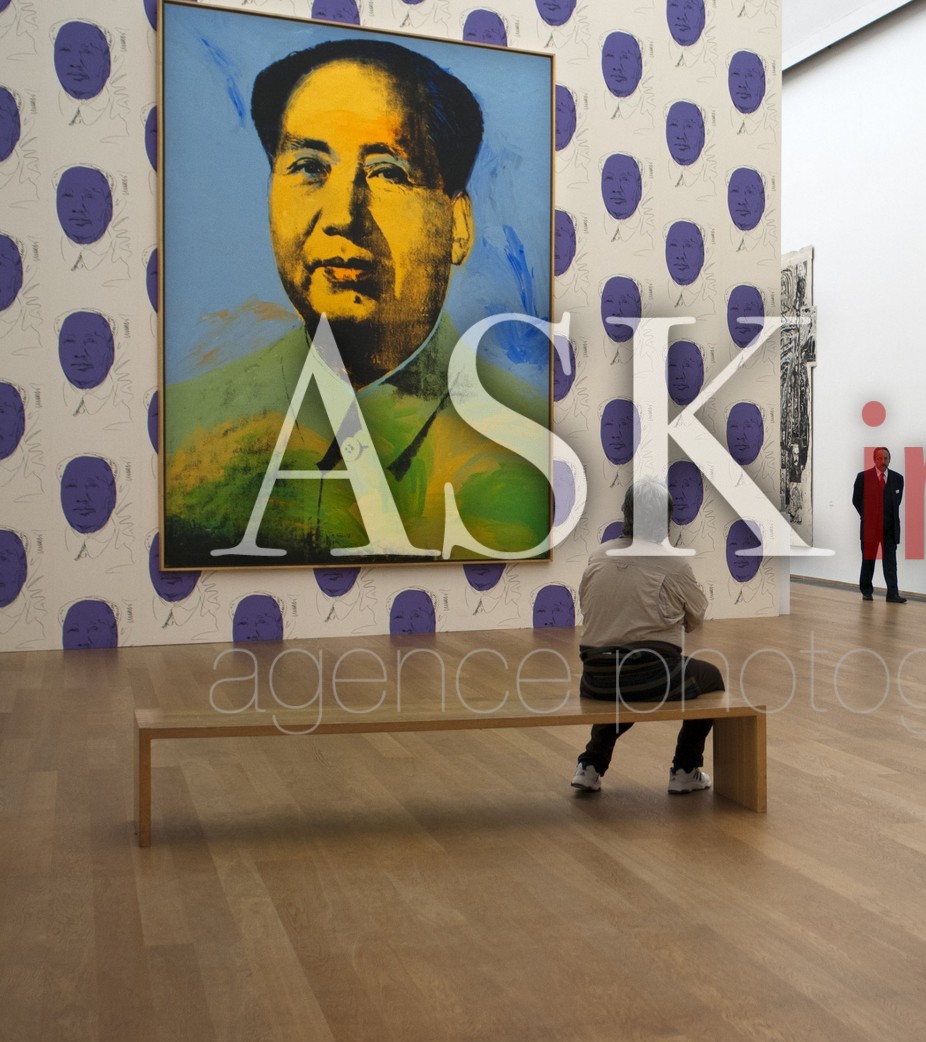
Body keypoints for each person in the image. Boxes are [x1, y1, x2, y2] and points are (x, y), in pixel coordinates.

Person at [162, 38, 548, 566]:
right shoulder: (186, 438)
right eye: (308, 167)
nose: (343, 214)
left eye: (387, 173)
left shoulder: (529, 449)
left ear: (458, 226)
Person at [570, 479, 725, 795]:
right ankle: (685, 769)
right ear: (666, 518)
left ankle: (590, 765)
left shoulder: (599, 555)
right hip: (650, 674)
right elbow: (696, 616)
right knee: (710, 678)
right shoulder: (673, 563)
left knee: (624, 686)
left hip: (595, 677)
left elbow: (587, 606)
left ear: (626, 512)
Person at [852, 446, 905, 602]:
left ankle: (892, 594)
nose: (883, 461)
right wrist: (867, 516)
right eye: (880, 458)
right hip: (870, 528)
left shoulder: (898, 479)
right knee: (868, 561)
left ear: (890, 459)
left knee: (891, 562)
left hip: (890, 528)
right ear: (874, 459)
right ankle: (866, 591)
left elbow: (897, 502)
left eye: (886, 458)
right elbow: (856, 500)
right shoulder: (863, 477)